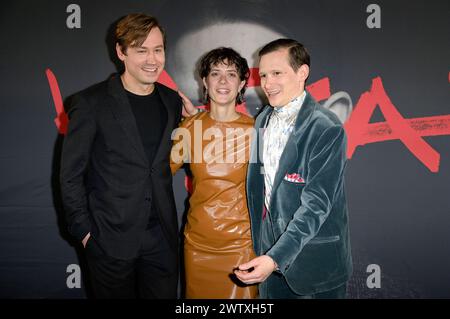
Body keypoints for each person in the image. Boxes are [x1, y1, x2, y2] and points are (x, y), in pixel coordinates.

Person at [60, 13, 184, 298]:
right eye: (141, 51)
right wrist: (85, 232)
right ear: (120, 51)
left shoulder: (171, 101)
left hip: (162, 239)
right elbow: (70, 175)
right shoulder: (90, 103)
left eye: (158, 49)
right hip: (109, 238)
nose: (152, 59)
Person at [234, 39, 352, 298]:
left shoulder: (326, 127)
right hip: (270, 259)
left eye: (277, 73)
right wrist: (265, 249)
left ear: (302, 73)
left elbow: (317, 205)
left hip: (316, 266)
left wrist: (274, 258)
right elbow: (259, 191)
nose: (267, 83)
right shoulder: (263, 118)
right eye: (263, 75)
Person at [171, 47, 258, 298]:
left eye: (231, 74)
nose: (222, 81)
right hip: (198, 245)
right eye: (215, 73)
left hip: (241, 245)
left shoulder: (256, 132)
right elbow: (157, 174)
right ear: (204, 82)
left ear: (242, 83)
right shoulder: (190, 128)